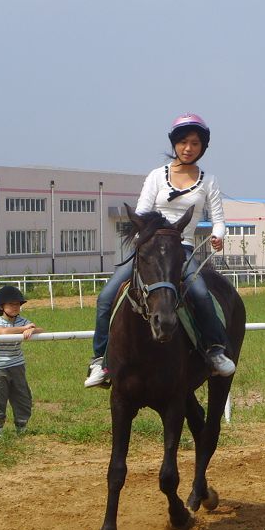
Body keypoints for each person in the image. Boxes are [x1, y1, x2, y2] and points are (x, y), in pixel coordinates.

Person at [85, 113, 235, 387]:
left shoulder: (209, 181)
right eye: (183, 142)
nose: (189, 148)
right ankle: (99, 362)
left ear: (203, 146)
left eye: (195, 143)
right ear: (174, 143)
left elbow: (219, 219)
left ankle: (214, 350)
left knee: (201, 293)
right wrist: (143, 231)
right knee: (107, 295)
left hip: (183, 249)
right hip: (152, 248)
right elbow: (142, 211)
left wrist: (217, 235)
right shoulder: (156, 176)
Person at [0, 285, 44, 437]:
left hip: (17, 365)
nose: (15, 307)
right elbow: (3, 332)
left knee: (22, 396)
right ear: (1, 306)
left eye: (18, 304)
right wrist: (25, 328)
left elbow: (40, 330)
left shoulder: (22, 321)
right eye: (11, 304)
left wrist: (32, 329)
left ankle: (22, 428)